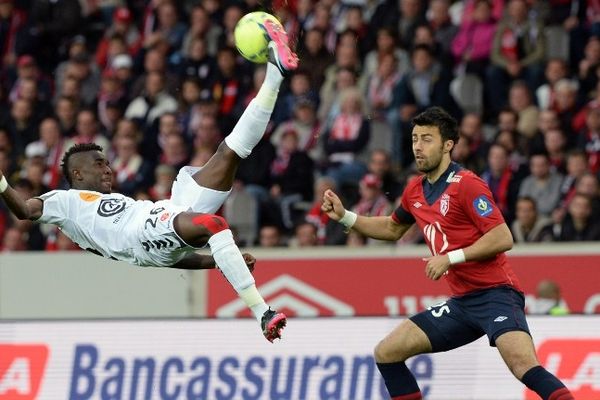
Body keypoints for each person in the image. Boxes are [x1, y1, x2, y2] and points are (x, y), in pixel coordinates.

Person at [0, 24, 299, 343]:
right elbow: (23, 210)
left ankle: (275, 72)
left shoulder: (107, 209)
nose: (108, 168)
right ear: (77, 175)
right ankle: (262, 312)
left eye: (107, 162)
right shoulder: (64, 201)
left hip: (158, 218)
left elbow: (167, 256)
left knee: (229, 152)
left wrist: (216, 261)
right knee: (214, 224)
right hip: (141, 231)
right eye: (99, 164)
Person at [321, 107, 574, 400]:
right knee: (387, 352)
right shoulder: (415, 189)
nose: (417, 146)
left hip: (497, 295)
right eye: (415, 138)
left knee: (524, 366)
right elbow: (392, 229)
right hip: (462, 304)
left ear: (448, 145)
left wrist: (450, 258)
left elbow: (503, 237)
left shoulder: (467, 184)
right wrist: (345, 217)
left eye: (427, 139)